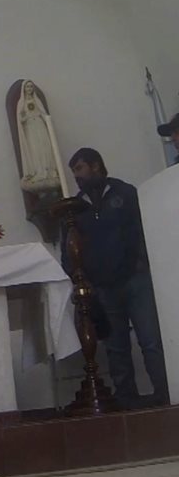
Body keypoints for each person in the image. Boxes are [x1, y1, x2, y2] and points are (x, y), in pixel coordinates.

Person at [66, 148, 169, 407]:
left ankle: (167, 394)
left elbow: (145, 229)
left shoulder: (125, 193)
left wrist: (141, 263)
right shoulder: (74, 209)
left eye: (80, 168)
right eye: (74, 172)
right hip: (103, 287)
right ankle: (126, 400)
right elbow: (69, 250)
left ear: (96, 165)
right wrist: (84, 280)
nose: (76, 176)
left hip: (136, 280)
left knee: (151, 341)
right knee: (116, 348)